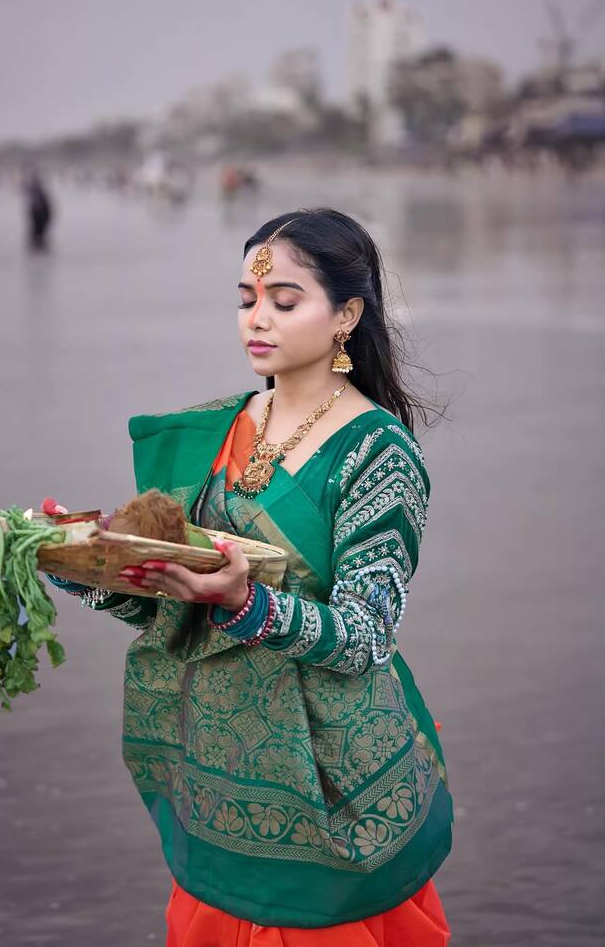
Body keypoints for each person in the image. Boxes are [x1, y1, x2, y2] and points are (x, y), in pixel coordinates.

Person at [45, 208, 454, 944]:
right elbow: (169, 606)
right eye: (246, 299)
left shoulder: (378, 454)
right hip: (219, 782)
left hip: (332, 794)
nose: (255, 320)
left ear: (346, 315)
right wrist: (82, 561)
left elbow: (366, 636)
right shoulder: (223, 429)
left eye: (283, 301)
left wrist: (247, 602)